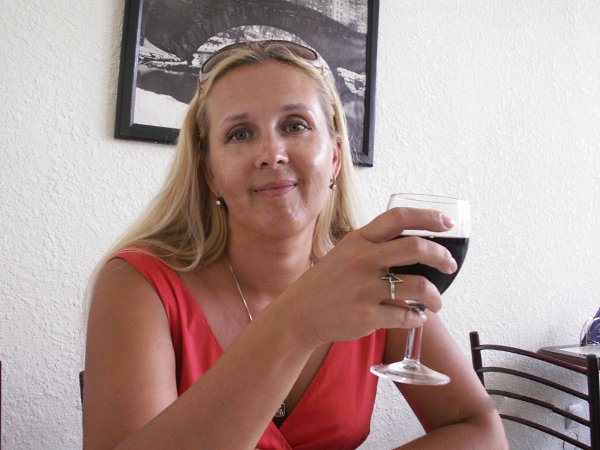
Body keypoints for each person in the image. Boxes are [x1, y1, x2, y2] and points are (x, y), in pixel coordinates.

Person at [83, 40, 507, 449]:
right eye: (240, 134)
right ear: (210, 173)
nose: (272, 153)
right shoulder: (137, 284)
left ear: (335, 158)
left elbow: (482, 431)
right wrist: (294, 323)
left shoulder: (371, 273)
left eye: (295, 126)